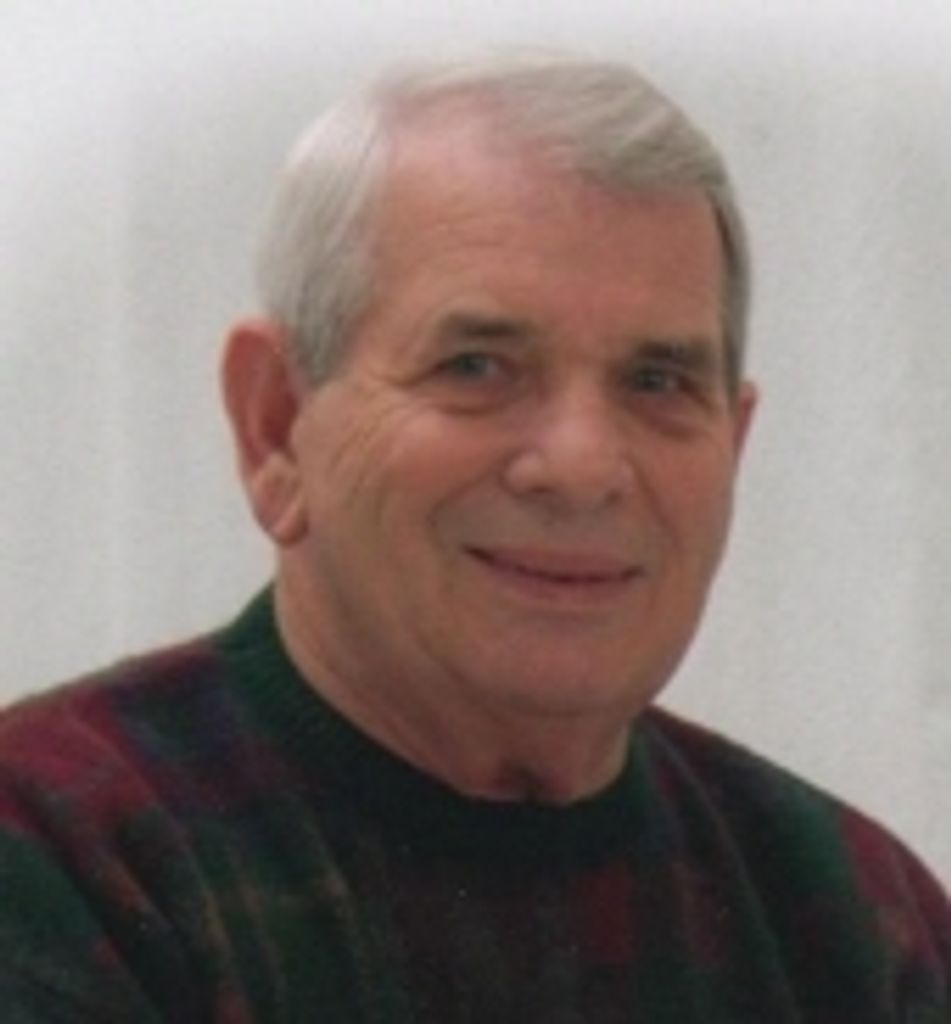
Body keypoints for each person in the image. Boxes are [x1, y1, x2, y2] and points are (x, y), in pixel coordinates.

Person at [1, 54, 949, 1022]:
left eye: (657, 383)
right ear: (277, 426)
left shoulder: (857, 922)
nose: (582, 466)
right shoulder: (60, 866)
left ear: (732, 449)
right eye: (476, 366)